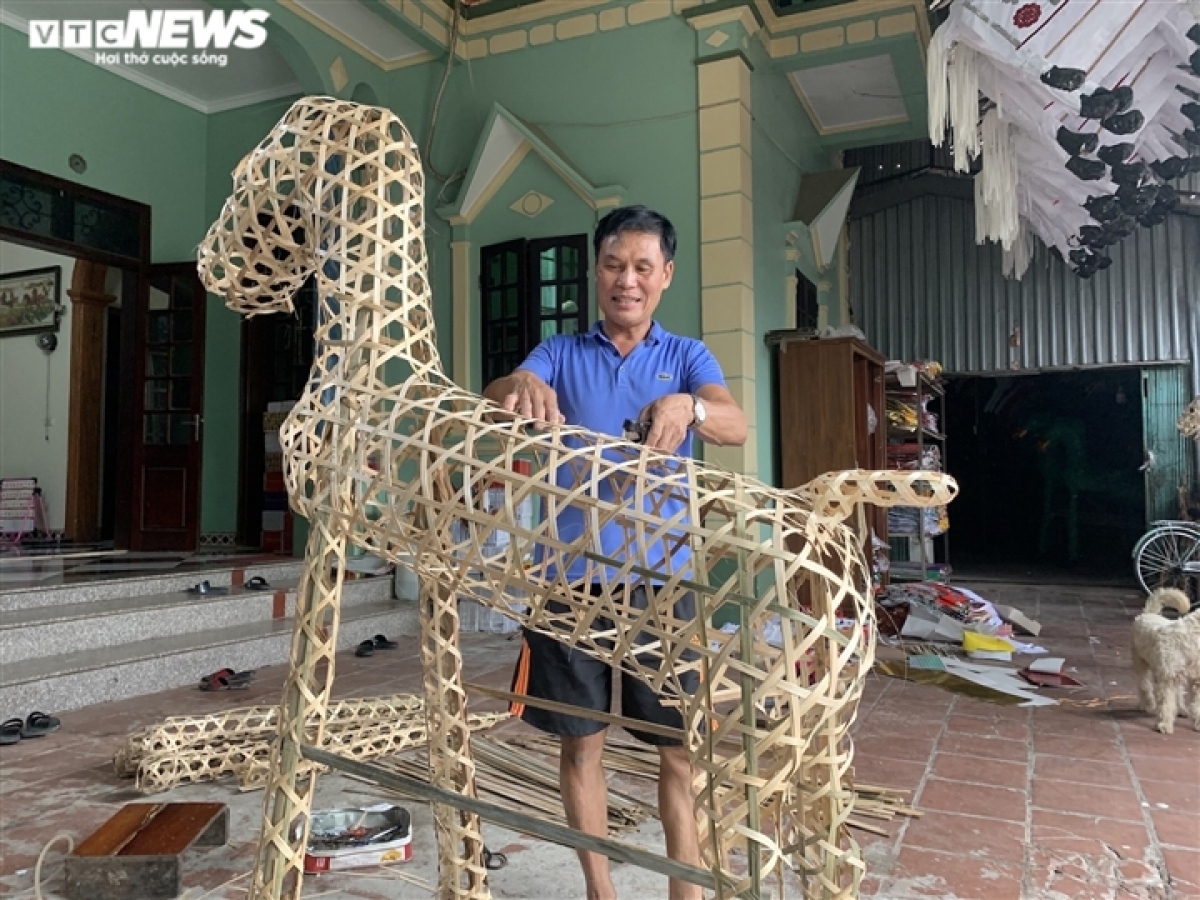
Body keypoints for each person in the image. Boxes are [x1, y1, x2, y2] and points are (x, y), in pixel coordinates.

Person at [483, 205, 747, 900]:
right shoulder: (560, 353)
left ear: (665, 275)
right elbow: (494, 396)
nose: (625, 280)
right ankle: (601, 892)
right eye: (611, 265)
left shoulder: (686, 357)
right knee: (582, 745)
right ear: (595, 272)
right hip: (570, 584)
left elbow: (736, 423)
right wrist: (521, 385)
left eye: (640, 267)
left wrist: (692, 407)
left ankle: (685, 892)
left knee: (680, 755)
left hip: (665, 585)